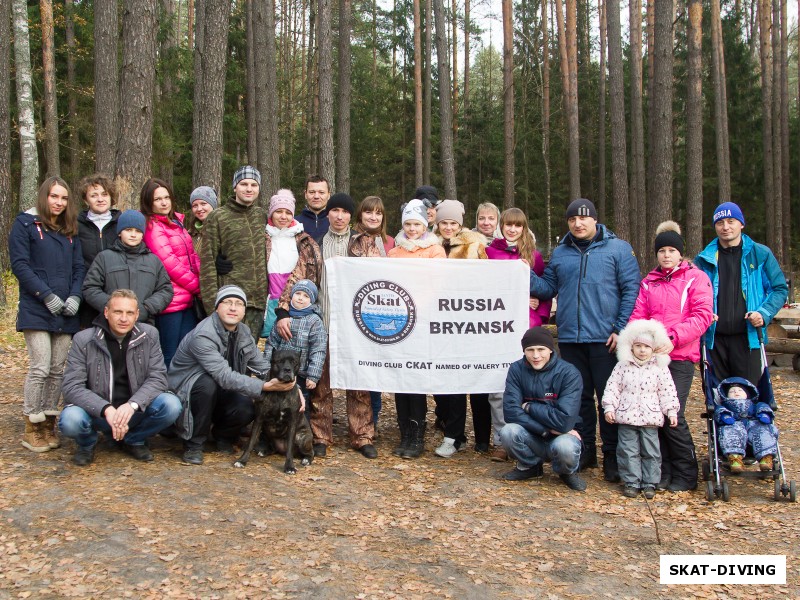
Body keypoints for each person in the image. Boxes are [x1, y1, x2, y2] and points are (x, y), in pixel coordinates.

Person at [528, 198, 641, 482]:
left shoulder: (617, 249)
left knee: (609, 400)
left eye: (583, 218)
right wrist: (523, 272)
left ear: (594, 219)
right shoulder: (562, 252)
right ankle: (586, 450)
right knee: (579, 400)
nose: (578, 224)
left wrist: (620, 328)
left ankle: (612, 457)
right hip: (570, 339)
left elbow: (631, 289)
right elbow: (548, 287)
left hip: (606, 339)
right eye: (572, 219)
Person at [168, 285, 298, 465]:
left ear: (244, 310)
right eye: (227, 302)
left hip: (221, 390)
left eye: (239, 304)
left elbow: (261, 366)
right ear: (216, 307)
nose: (233, 308)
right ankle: (194, 444)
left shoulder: (243, 332)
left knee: (246, 406)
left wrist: (292, 387)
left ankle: (222, 435)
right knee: (207, 384)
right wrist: (263, 386)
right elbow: (224, 376)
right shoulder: (203, 335)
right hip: (187, 392)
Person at [628, 221, 714, 492]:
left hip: (679, 356)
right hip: (651, 358)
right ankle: (662, 470)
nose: (666, 255)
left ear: (680, 253)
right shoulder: (649, 282)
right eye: (661, 250)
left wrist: (672, 338)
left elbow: (701, 316)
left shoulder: (695, 278)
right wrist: (638, 341)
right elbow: (637, 317)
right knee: (654, 415)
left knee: (671, 412)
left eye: (671, 250)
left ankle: (686, 472)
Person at [59, 290, 183, 465]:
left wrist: (133, 405)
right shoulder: (84, 339)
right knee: (71, 419)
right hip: (98, 414)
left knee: (171, 404)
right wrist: (106, 409)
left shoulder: (149, 335)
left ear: (137, 315)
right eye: (118, 312)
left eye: (129, 313)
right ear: (106, 312)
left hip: (134, 412)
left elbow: (158, 378)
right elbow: (72, 386)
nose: (124, 318)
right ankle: (87, 443)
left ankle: (134, 439)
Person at [10, 177, 86, 453]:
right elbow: (20, 265)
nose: (59, 202)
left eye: (64, 198)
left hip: (66, 310)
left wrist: (75, 295)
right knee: (40, 367)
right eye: (54, 196)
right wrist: (46, 295)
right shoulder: (26, 225)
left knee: (57, 370)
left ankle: (49, 424)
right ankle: (32, 425)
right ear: (44, 196)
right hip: (36, 308)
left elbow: (79, 267)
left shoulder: (69, 230)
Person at [303, 193, 376, 458]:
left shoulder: (364, 243)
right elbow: (301, 277)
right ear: (328, 214)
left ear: (350, 216)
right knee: (321, 385)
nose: (339, 216)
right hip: (323, 322)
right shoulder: (314, 244)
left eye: (344, 211)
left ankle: (362, 435)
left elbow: (379, 276)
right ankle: (321, 436)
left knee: (359, 384)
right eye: (334, 210)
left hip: (356, 326)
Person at [695, 202, 788, 385]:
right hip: (713, 339)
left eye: (731, 221)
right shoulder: (703, 259)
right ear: (715, 226)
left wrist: (763, 313)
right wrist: (703, 314)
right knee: (717, 400)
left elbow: (779, 289)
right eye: (720, 222)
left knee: (749, 396)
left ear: (741, 224)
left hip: (749, 338)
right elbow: (692, 295)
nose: (726, 227)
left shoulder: (760, 254)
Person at [485, 207, 552, 462]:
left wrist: (538, 307)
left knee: (530, 386)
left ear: (524, 228)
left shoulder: (533, 255)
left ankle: (531, 437)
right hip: (497, 327)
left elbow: (546, 290)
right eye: (508, 225)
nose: (512, 230)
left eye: (517, 226)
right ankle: (502, 440)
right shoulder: (489, 252)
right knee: (499, 385)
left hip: (527, 326)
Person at [432, 199, 491, 458]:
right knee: (442, 382)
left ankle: (454, 437)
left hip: (465, 321)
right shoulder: (429, 245)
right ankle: (451, 428)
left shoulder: (474, 245)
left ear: (460, 224)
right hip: (434, 321)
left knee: (460, 379)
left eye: (452, 223)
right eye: (443, 222)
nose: (448, 227)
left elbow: (487, 280)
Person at [388, 199, 446, 458]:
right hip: (399, 322)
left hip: (422, 322)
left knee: (416, 378)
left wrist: (417, 304)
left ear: (425, 225)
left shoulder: (435, 250)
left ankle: (418, 435)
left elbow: (437, 283)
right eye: (408, 224)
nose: (412, 229)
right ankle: (405, 433)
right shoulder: (394, 252)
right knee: (401, 377)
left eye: (416, 224)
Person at [500, 327, 587, 491]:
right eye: (530, 350)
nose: (536, 355)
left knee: (565, 447)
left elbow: (564, 419)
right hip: (537, 433)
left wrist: (529, 407)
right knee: (508, 431)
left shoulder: (569, 373)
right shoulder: (516, 369)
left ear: (551, 349)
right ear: (524, 351)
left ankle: (566, 472)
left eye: (541, 349)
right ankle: (530, 466)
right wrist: (545, 430)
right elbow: (511, 411)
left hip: (563, 436)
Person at [601, 320, 680, 499]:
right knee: (628, 450)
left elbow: (667, 391)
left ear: (653, 348)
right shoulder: (622, 366)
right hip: (626, 416)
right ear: (631, 346)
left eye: (646, 346)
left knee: (651, 451)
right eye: (638, 346)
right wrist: (609, 407)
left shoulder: (659, 368)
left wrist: (671, 411)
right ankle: (631, 481)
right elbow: (613, 388)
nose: (642, 350)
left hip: (650, 417)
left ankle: (650, 482)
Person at [199, 166, 268, 341]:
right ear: (235, 187)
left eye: (254, 184)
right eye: (244, 184)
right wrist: (212, 307)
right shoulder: (218, 217)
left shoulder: (262, 216)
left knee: (248, 355)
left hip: (257, 303)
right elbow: (207, 265)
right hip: (231, 301)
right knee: (226, 356)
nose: (249, 189)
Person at [140, 178, 202, 368]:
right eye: (158, 199)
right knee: (169, 355)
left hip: (187, 301)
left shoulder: (176, 223)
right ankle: (167, 396)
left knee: (187, 352)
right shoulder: (152, 226)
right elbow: (170, 264)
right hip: (170, 302)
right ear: (149, 202)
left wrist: (203, 278)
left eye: (166, 197)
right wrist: (198, 286)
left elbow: (192, 256)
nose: (164, 202)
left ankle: (184, 395)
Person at [348, 195, 396, 426]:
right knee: (361, 368)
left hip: (384, 312)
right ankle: (360, 420)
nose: (373, 217)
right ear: (360, 214)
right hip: (358, 309)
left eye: (378, 213)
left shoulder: (390, 242)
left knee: (376, 370)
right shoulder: (351, 238)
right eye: (369, 212)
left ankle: (373, 420)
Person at [82, 210, 173, 324]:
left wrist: (147, 307)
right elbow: (90, 288)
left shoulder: (153, 260)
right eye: (128, 230)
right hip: (109, 325)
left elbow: (166, 289)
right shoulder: (104, 257)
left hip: (144, 324)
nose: (133, 234)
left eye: (138, 231)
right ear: (120, 232)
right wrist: (114, 307)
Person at [263, 189, 323, 339]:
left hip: (297, 305)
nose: (283, 217)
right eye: (279, 211)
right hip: (267, 306)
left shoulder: (304, 242)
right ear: (271, 213)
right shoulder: (261, 238)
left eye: (288, 212)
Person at [263, 280, 327, 408]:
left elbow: (318, 350)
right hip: (279, 370)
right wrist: (265, 367)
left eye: (306, 296)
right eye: (298, 293)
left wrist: (313, 375)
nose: (301, 298)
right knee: (275, 401)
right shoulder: (282, 318)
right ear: (292, 295)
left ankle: (300, 427)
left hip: (301, 373)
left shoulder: (314, 321)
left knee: (300, 403)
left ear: (312, 300)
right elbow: (271, 343)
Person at [76, 174, 121, 328]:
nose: (100, 199)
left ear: (111, 197)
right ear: (85, 199)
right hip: (86, 298)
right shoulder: (76, 226)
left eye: (104, 194)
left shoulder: (122, 224)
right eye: (94, 195)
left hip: (117, 295)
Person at [714, 378, 778, 473]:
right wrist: (724, 416)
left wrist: (764, 413)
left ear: (747, 394)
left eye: (740, 390)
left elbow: (762, 406)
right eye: (732, 391)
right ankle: (735, 459)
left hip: (753, 424)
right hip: (734, 423)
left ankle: (766, 457)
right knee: (730, 432)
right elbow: (719, 410)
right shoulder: (725, 405)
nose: (736, 392)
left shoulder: (754, 404)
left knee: (764, 430)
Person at [296, 175, 331, 243]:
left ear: (328, 195)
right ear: (305, 194)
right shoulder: (294, 223)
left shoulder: (336, 223)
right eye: (312, 192)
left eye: (321, 192)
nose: (316, 196)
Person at [186, 185, 218, 257]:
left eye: (203, 204)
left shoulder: (222, 229)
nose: (199, 209)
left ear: (213, 205)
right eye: (195, 205)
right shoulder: (190, 233)